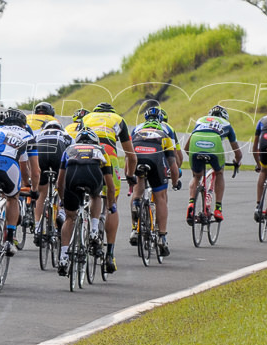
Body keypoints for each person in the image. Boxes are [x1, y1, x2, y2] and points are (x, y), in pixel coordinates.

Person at [82, 103, 137, 273]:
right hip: (108, 156)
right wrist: (130, 175)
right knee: (112, 205)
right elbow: (131, 155)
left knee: (91, 195)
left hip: (85, 154)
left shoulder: (86, 118)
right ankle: (110, 254)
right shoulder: (118, 119)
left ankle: (90, 228)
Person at [0, 109, 37, 260]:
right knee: (12, 198)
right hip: (8, 166)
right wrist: (32, 189)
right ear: (23, 125)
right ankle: (9, 239)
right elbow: (32, 170)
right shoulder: (27, 135)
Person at [55, 129, 114, 276]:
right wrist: (111, 204)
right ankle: (94, 229)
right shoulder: (100, 149)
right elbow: (110, 184)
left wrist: (63, 200)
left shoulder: (69, 149)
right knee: (96, 196)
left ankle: (63, 258)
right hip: (92, 176)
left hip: (72, 178)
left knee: (70, 218)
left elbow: (59, 181)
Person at [127, 119, 180, 255]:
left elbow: (129, 158)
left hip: (137, 154)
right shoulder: (165, 134)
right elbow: (173, 164)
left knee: (138, 183)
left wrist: (129, 177)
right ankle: (162, 237)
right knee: (160, 197)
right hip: (155, 158)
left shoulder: (137, 131)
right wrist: (175, 182)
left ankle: (135, 225)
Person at [184, 105, 242, 223]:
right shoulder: (227, 124)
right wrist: (237, 161)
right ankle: (218, 209)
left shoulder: (201, 120)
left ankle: (191, 204)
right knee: (219, 172)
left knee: (196, 176)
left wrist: (196, 160)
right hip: (214, 144)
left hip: (196, 143)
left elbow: (186, 148)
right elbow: (238, 152)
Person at [32, 119, 73, 245]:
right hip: (58, 153)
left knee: (41, 192)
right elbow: (72, 154)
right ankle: (61, 211)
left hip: (41, 153)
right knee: (61, 184)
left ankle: (38, 227)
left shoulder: (38, 134)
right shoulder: (66, 135)